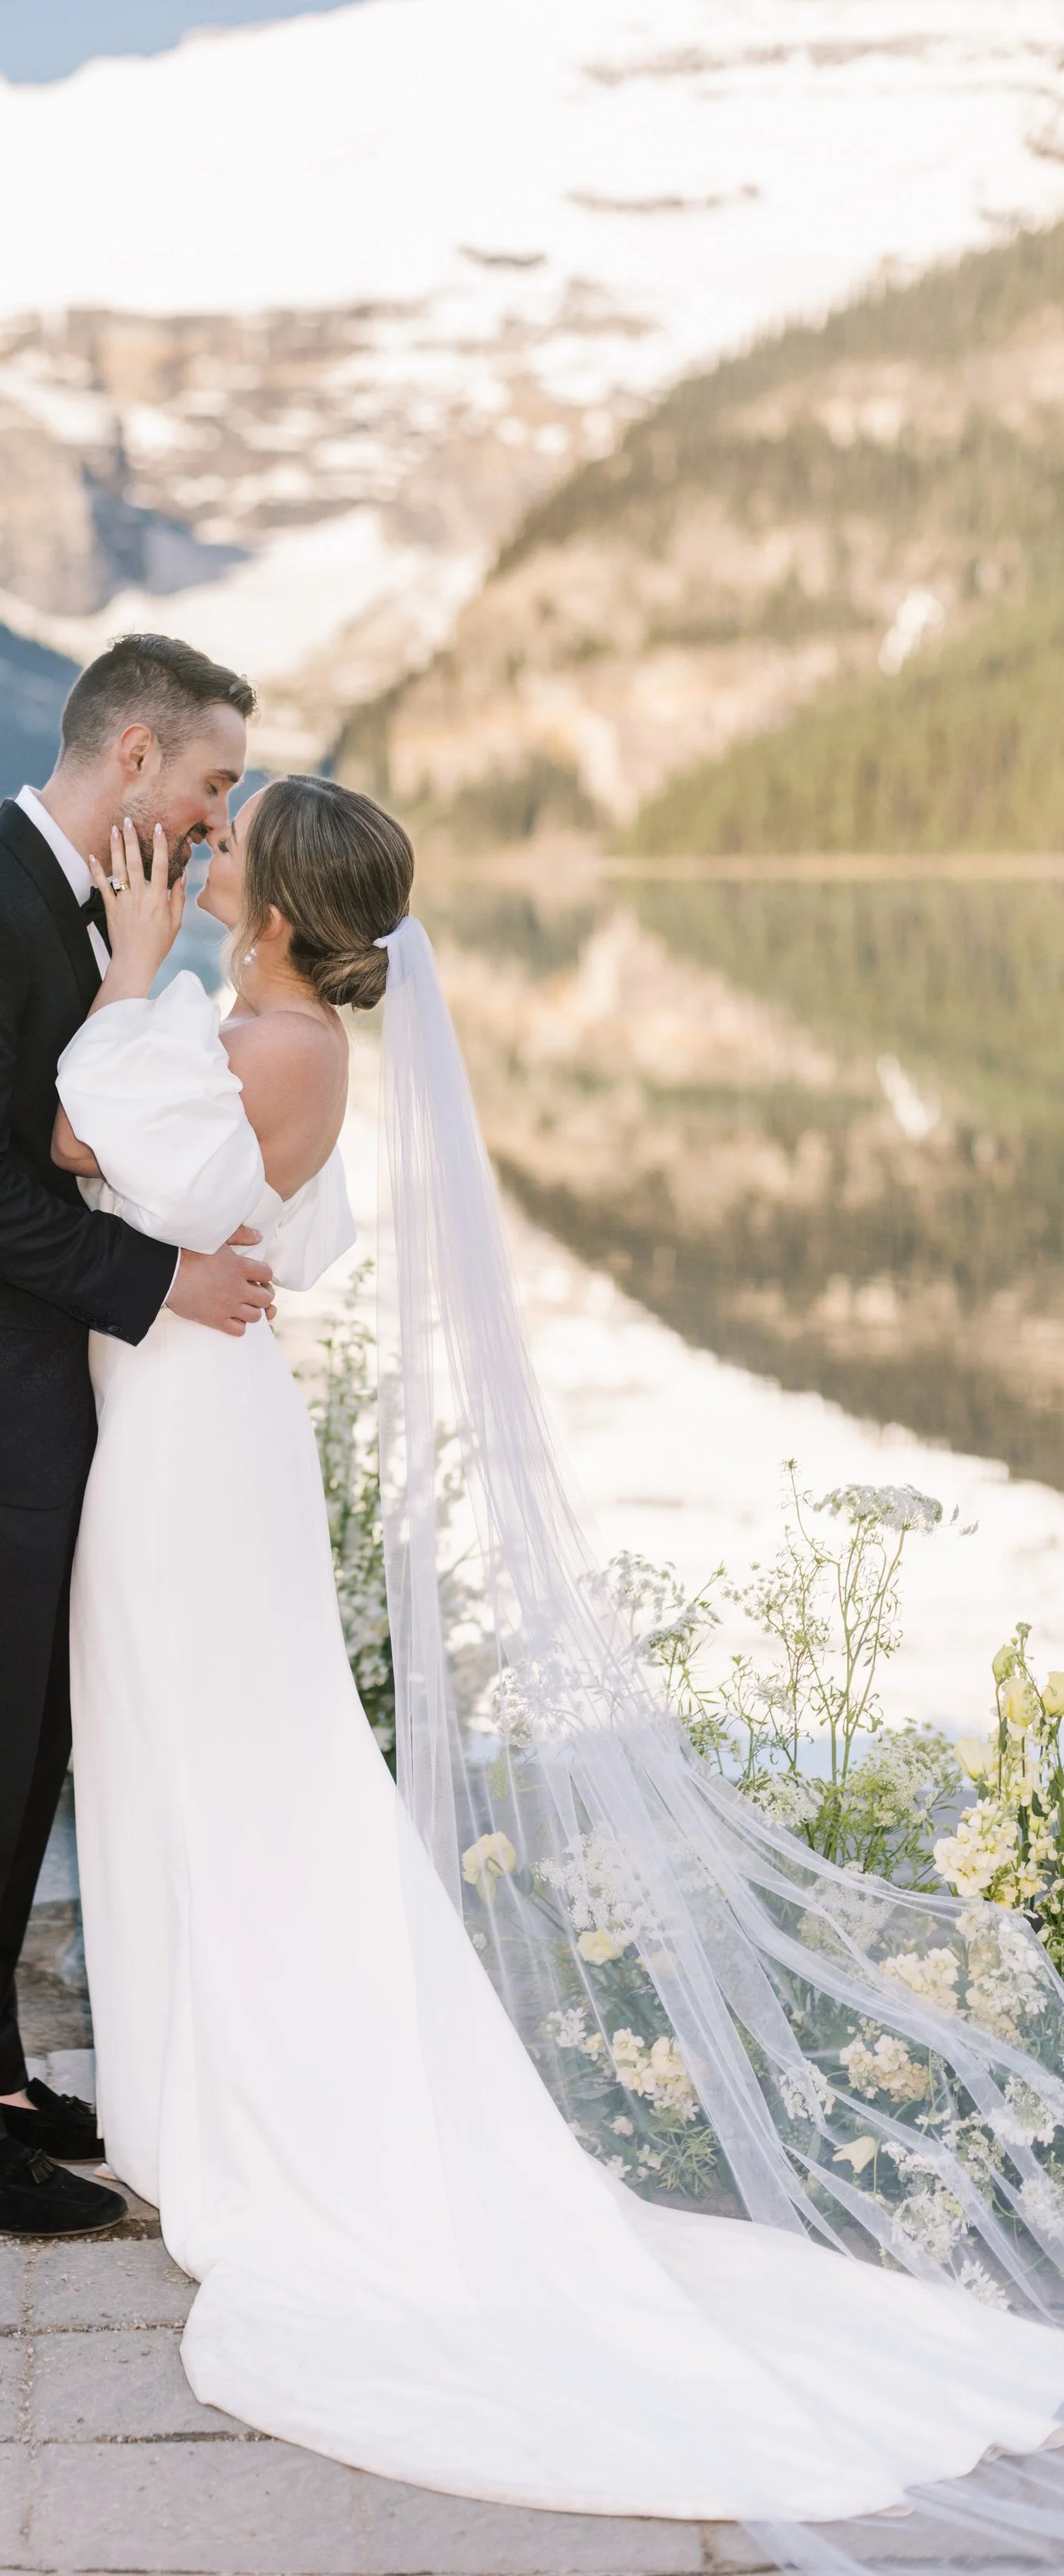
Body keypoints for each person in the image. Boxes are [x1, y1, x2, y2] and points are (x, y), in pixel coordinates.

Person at [52, 772, 1064, 2548]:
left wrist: (125, 977)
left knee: (242, 1763)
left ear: (274, 906)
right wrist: (152, 1000)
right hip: (173, 1410)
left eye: (224, 847)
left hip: (194, 1438)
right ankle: (194, 2088)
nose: (195, 858)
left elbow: (92, 1145)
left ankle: (282, 2113)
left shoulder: (270, 1044)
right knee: (178, 1751)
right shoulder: (254, 1021)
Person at [0, 633, 274, 2237]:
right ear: (136, 754)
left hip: (38, 1401)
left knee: (24, 1749)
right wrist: (162, 1281)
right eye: (214, 781)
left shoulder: (84, 905)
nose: (222, 814)